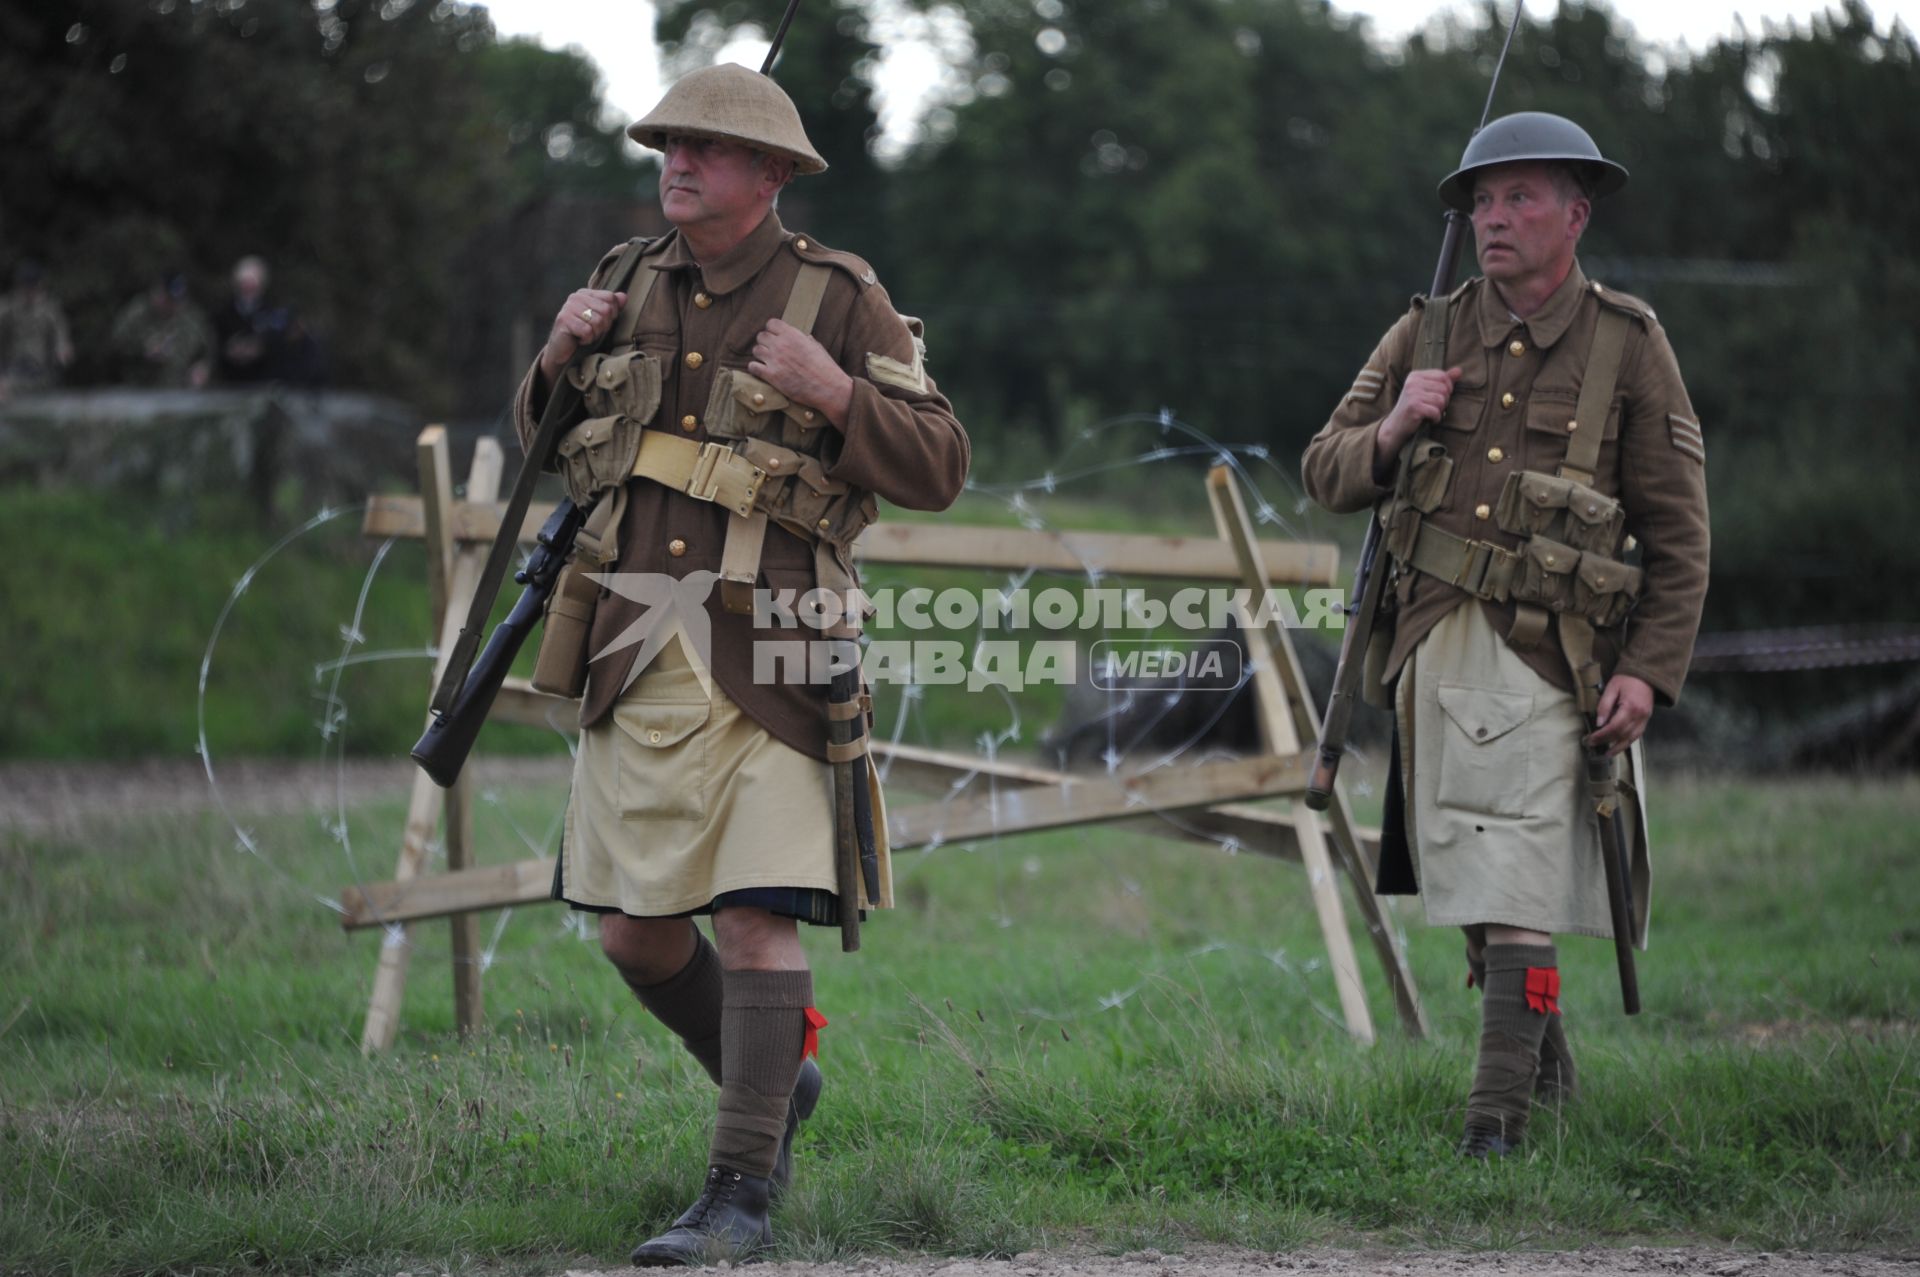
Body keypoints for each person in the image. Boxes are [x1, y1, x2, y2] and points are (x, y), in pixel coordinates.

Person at [513, 62, 969, 1263]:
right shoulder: (618, 280)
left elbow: (939, 461)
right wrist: (554, 364)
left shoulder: (841, 296)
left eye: (707, 147)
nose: (677, 161)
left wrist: (834, 395)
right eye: (668, 142)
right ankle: (775, 1082)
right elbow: (551, 451)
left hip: (779, 640)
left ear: (770, 175)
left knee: (762, 917)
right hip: (630, 638)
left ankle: (737, 1194)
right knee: (633, 932)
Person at [1301, 113, 1709, 1157]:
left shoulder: (1629, 341)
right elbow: (1325, 465)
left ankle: (1496, 1133)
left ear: (1575, 214)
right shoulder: (1423, 333)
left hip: (1556, 658)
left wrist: (1651, 674)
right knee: (1479, 893)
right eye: (1481, 201)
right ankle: (1553, 1089)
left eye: (1519, 196)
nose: (1493, 217)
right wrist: (1393, 427)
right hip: (1431, 644)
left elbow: (1679, 529)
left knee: (1515, 879)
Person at [110, 274, 215, 388]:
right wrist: (142, 351)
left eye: (179, 300)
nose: (175, 306)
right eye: (170, 300)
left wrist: (203, 367)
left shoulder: (192, 317)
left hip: (182, 392)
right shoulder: (136, 314)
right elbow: (115, 347)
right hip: (141, 391)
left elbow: (207, 349)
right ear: (158, 294)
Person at [0, 261, 75, 396]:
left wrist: (62, 350)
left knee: (5, 387)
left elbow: (61, 337)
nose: (27, 292)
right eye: (24, 287)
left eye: (31, 287)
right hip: (13, 368)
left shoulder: (50, 311)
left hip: (39, 371)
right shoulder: (10, 308)